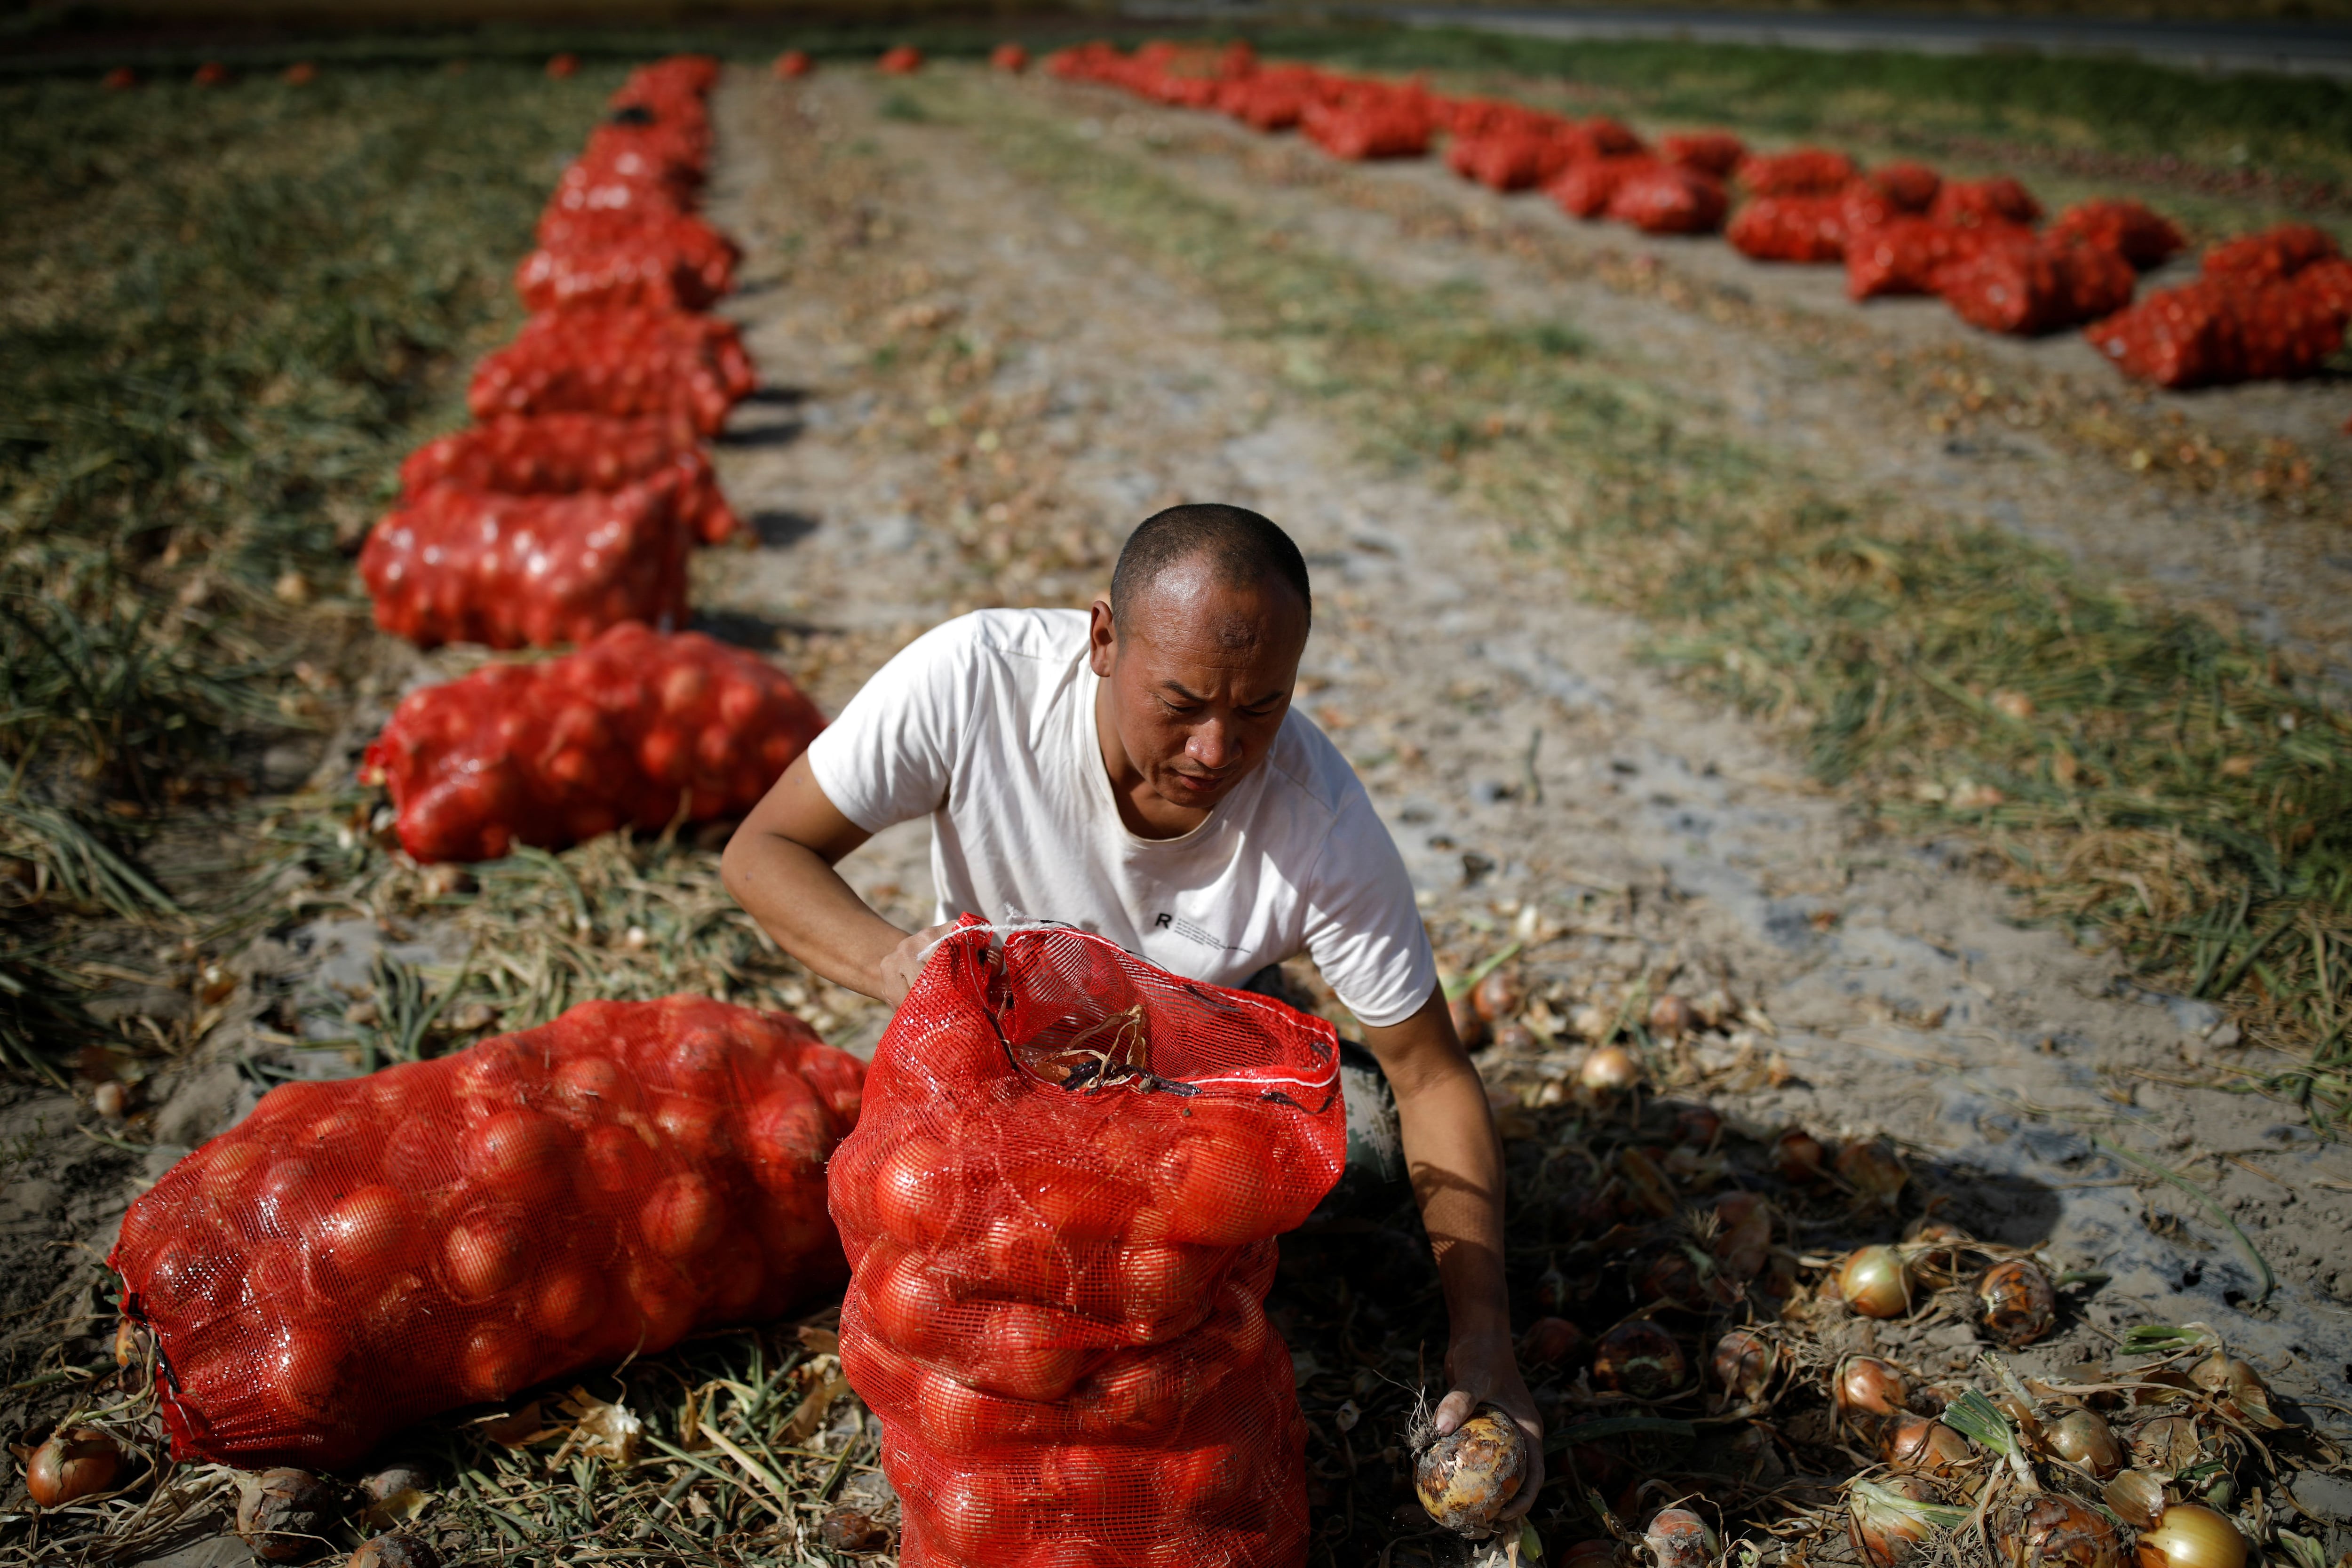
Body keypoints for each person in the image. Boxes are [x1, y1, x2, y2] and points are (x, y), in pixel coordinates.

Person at [722, 501, 1542, 1517]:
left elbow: (1432, 1074)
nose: (1216, 747)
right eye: (1184, 700)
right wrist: (894, 962)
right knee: (912, 1210)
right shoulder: (977, 681)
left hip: (1184, 1076)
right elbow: (763, 851)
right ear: (1103, 638)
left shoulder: (1317, 819)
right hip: (997, 1050)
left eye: (1260, 707)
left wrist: (1484, 1337)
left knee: (1362, 1143)